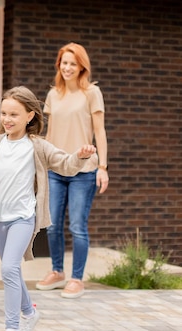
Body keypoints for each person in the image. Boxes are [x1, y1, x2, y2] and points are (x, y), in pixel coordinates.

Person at [0, 86, 96, 331]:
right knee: (11, 271)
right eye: (3, 113)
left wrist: (81, 156)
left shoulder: (37, 146)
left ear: (29, 116)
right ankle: (30, 312)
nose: (7, 119)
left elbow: (65, 163)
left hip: (23, 218)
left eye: (13, 114)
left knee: (9, 268)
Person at [36, 42, 109, 299]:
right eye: (64, 63)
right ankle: (57, 272)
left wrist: (103, 167)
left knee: (77, 226)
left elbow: (99, 131)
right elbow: (48, 132)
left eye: (72, 63)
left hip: (84, 170)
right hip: (57, 169)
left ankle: (77, 278)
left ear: (81, 67)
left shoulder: (91, 93)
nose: (67, 67)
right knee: (53, 226)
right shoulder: (53, 95)